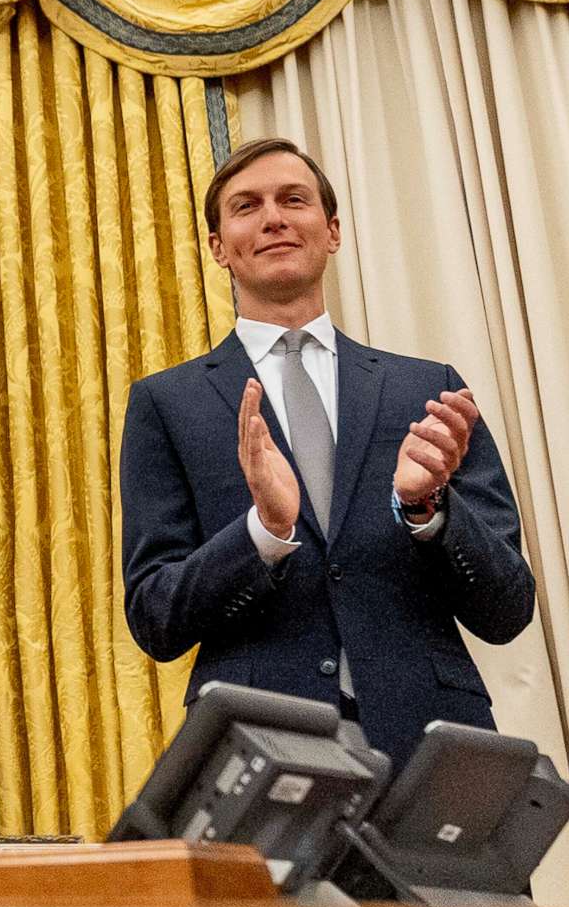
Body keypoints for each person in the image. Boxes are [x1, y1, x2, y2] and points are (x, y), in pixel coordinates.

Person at [120, 138, 533, 774]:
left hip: (432, 748)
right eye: (246, 207)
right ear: (218, 247)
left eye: (294, 200)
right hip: (255, 753)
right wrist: (264, 531)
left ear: (332, 230)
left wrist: (428, 510)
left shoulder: (427, 389)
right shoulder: (165, 403)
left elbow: (506, 608)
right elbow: (156, 617)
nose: (274, 218)